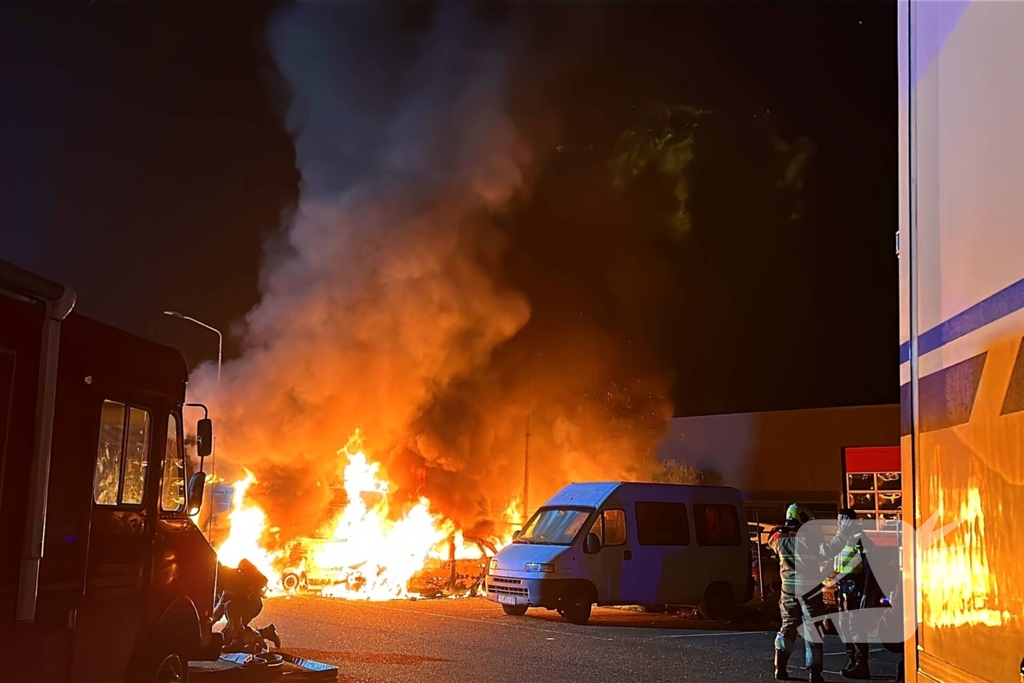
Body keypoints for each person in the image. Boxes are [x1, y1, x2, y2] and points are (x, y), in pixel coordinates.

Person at [770, 504, 854, 683]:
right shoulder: (807, 538)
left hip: (788, 591)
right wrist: (843, 532)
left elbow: (773, 539)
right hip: (809, 591)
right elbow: (828, 551)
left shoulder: (778, 538)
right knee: (813, 631)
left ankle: (780, 668)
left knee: (787, 628)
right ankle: (814, 674)